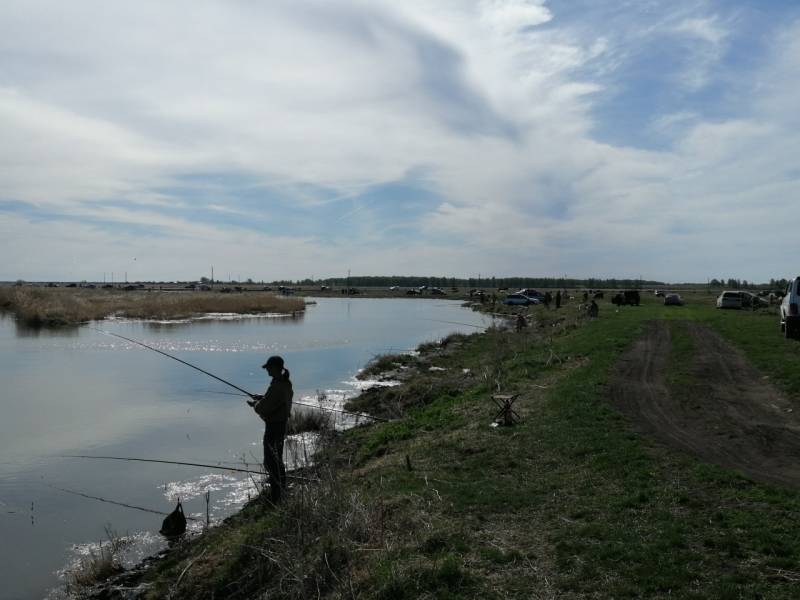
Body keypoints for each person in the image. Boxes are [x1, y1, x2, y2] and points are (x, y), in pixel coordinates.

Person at [248, 355, 293, 503]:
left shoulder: (277, 385)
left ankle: (277, 496)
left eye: (268, 367)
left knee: (271, 461)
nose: (266, 369)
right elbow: (273, 400)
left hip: (274, 426)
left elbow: (264, 407)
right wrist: (262, 397)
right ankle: (280, 491)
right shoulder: (284, 382)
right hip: (280, 424)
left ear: (274, 368)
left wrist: (255, 404)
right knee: (276, 459)